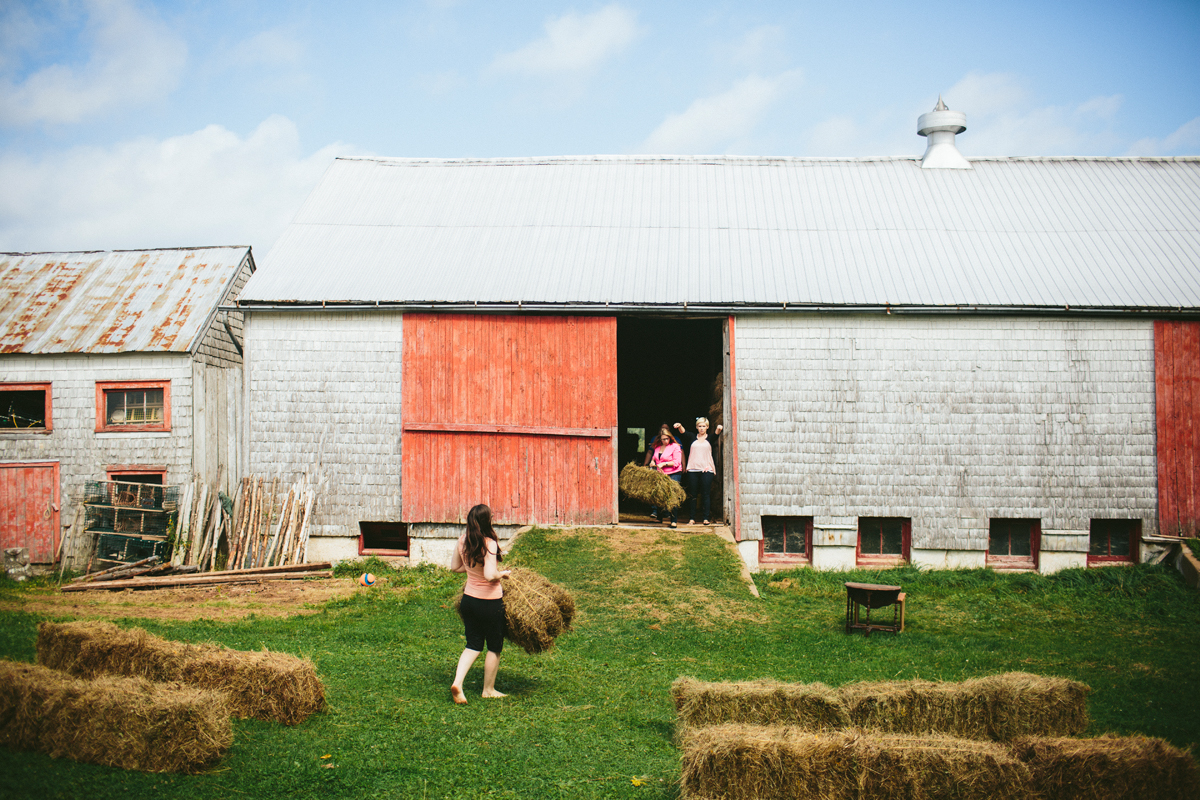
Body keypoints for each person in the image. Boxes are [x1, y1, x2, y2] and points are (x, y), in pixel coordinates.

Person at [449, 503, 511, 704]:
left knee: (473, 645)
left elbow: (454, 568)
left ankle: (458, 682)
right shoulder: (489, 543)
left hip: (469, 601)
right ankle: (488, 690)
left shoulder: (462, 540)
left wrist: (470, 570)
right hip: (490, 604)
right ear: (487, 521)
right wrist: (503, 574)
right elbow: (490, 575)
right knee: (494, 646)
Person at [674, 417, 723, 525]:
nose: (701, 428)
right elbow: (684, 432)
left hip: (706, 469)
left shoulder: (709, 438)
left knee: (705, 494)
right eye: (700, 426)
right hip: (693, 468)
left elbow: (716, 433)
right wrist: (679, 425)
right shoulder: (692, 437)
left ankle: (705, 518)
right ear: (697, 427)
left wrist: (719, 427)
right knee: (693, 494)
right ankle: (692, 518)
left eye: (704, 426)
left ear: (707, 427)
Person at [646, 428, 684, 528]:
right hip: (661, 473)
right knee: (660, 494)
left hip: (674, 472)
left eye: (666, 439)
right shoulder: (657, 447)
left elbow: (677, 462)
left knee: (672, 495)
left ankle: (673, 520)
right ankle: (659, 517)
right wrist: (653, 462)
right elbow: (655, 457)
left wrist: (664, 464)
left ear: (670, 438)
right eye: (663, 439)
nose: (665, 441)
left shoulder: (675, 446)